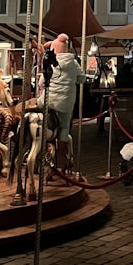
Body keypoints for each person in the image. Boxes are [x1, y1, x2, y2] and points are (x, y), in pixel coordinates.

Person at [44, 33, 82, 171]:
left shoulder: (51, 62)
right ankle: (61, 161)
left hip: (48, 100)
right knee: (64, 127)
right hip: (65, 102)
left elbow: (43, 81)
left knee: (36, 107)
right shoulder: (73, 63)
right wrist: (74, 80)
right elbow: (82, 78)